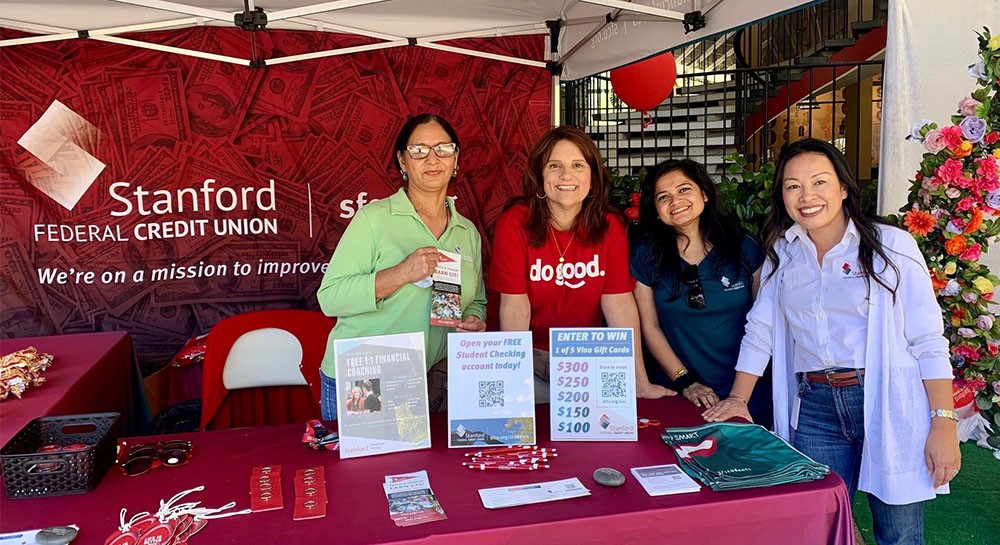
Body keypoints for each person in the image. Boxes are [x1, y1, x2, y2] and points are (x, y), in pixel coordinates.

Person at [703, 139, 960, 545]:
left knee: (898, 533)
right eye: (793, 186)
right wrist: (737, 398)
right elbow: (761, 330)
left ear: (843, 187)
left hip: (887, 400)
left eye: (819, 181)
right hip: (817, 408)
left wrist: (943, 423)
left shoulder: (891, 247)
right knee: (816, 526)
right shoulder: (782, 255)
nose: (807, 196)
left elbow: (927, 340)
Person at [317, 113, 487, 419]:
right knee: (366, 468)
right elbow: (330, 298)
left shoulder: (467, 232)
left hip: (430, 379)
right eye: (419, 150)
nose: (432, 158)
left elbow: (477, 300)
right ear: (402, 161)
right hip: (367, 377)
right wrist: (402, 273)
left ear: (456, 158)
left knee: (423, 468)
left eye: (443, 149)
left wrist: (473, 317)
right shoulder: (374, 219)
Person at [490, 126, 673, 401]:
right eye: (555, 165)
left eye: (578, 165)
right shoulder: (515, 222)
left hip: (587, 356)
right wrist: (513, 382)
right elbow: (515, 306)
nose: (567, 176)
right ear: (540, 175)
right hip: (532, 356)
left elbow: (619, 304)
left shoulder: (610, 226)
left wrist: (639, 382)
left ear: (592, 177)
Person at [629, 159, 772, 428]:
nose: (675, 200)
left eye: (684, 189)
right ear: (656, 209)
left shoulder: (744, 247)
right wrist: (685, 381)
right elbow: (649, 326)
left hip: (746, 390)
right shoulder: (645, 255)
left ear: (704, 193)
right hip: (679, 393)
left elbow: (764, 323)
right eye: (664, 196)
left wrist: (739, 395)